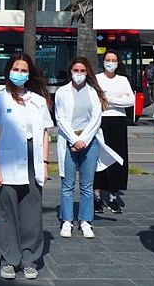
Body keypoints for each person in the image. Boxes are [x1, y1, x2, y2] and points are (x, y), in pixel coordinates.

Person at [0, 53, 53, 280]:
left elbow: (45, 134)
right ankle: (9, 259)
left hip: (33, 160)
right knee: (7, 213)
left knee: (32, 213)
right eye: (16, 69)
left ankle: (29, 259)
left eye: (24, 70)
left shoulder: (39, 101)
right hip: (8, 162)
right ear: (8, 71)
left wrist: (45, 164)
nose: (20, 74)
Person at [55, 57, 121, 239]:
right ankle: (67, 220)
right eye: (76, 70)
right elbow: (60, 118)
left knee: (87, 185)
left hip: (89, 141)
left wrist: (83, 139)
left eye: (82, 71)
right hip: (69, 141)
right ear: (70, 71)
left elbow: (96, 119)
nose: (79, 74)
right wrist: (73, 140)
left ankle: (85, 221)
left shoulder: (93, 93)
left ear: (88, 73)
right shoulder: (62, 92)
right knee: (67, 184)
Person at [94, 50, 136, 214]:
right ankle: (96, 196)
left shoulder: (123, 80)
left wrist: (109, 99)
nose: (110, 62)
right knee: (99, 157)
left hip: (118, 121)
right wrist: (116, 100)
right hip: (101, 120)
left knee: (118, 157)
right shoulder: (97, 79)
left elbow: (130, 100)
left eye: (113, 60)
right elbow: (97, 99)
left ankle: (112, 197)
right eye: (107, 59)